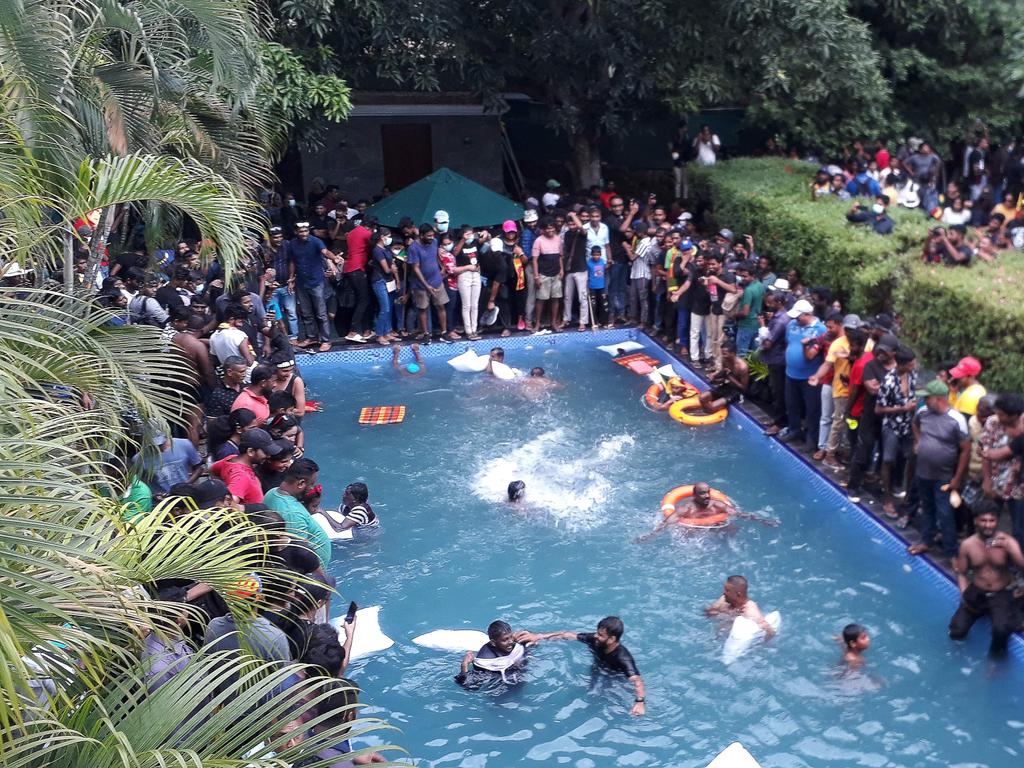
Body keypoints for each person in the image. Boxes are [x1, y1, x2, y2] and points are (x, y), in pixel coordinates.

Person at [518, 617, 646, 716]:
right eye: (597, 632)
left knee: (603, 700)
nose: (596, 636)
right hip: (598, 669)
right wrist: (539, 636)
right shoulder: (595, 640)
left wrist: (639, 702)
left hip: (615, 677)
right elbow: (567, 635)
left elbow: (637, 681)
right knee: (591, 696)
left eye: (601, 635)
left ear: (612, 639)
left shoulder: (623, 658)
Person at [908, 380, 971, 558]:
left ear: (938, 399)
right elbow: (915, 424)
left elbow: (965, 450)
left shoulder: (957, 419)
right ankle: (926, 541)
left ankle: (951, 552)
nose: (924, 401)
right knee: (927, 507)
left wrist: (957, 478)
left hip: (944, 475)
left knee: (945, 512)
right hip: (922, 472)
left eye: (927, 398)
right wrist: (918, 441)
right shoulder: (923, 412)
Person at [949, 506, 1024, 656]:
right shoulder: (968, 545)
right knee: (956, 631)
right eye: (983, 520)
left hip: (1001, 593)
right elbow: (962, 573)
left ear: (997, 521)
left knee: (1001, 630)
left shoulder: (1007, 542)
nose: (987, 524)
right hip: (977, 591)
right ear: (976, 521)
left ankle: (994, 663)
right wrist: (963, 593)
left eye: (991, 520)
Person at [264, 458, 332, 571]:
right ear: (301, 483)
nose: (311, 488)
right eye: (311, 484)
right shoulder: (293, 514)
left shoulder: (272, 492)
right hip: (310, 576)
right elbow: (299, 556)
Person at [288, 220, 340, 352]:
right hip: (301, 282)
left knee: (321, 313)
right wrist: (291, 278)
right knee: (306, 312)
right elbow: (292, 262)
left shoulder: (316, 241)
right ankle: (311, 337)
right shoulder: (292, 244)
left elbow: (325, 252)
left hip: (317, 282)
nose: (304, 233)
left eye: (306, 231)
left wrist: (334, 258)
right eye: (301, 231)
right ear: (296, 232)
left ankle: (326, 340)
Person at [780, 299, 825, 449]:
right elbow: (788, 343)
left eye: (799, 316)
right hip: (790, 373)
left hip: (810, 376)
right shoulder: (791, 325)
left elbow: (817, 354)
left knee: (812, 408)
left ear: (807, 314)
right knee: (792, 404)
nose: (796, 319)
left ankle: (812, 438)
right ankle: (794, 430)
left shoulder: (820, 329)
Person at [407, 223, 456, 341]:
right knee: (423, 308)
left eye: (432, 235)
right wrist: (427, 286)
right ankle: (425, 334)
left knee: (441, 306)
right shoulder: (413, 248)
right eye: (428, 236)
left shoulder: (434, 242)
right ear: (422, 235)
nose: (431, 237)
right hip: (420, 284)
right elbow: (415, 268)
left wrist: (442, 267)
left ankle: (444, 333)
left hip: (436, 280)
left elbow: (436, 255)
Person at [456, 620, 530, 688]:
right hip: (501, 692)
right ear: (493, 643)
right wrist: (464, 665)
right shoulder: (485, 660)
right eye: (505, 639)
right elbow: (470, 686)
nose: (511, 641)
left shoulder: (515, 643)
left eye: (511, 637)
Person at [209, 428, 273, 504]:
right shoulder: (242, 476)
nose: (268, 456)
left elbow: (211, 469)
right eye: (265, 452)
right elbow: (228, 505)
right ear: (250, 451)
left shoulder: (231, 458)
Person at [704, 575, 776, 637]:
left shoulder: (750, 610)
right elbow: (710, 612)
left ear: (738, 594)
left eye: (727, 590)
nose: (724, 592)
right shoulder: (724, 599)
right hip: (717, 636)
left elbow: (770, 632)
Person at [134, 433, 203, 496]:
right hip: (162, 501)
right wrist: (153, 495)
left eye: (161, 445)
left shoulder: (184, 444)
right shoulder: (139, 459)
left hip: (186, 495)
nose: (158, 447)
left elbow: (199, 468)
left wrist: (185, 485)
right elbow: (140, 482)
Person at [698, 340, 748, 414]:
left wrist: (730, 378)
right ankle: (706, 414)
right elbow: (724, 374)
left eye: (725, 354)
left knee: (712, 407)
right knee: (702, 398)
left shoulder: (742, 367)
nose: (723, 356)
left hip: (737, 392)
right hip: (727, 387)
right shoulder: (725, 360)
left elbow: (744, 388)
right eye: (722, 353)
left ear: (732, 353)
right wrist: (715, 376)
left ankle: (708, 415)